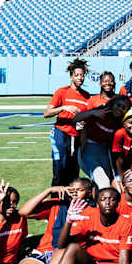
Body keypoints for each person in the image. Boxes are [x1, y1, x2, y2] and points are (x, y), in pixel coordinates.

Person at [44, 58, 91, 186]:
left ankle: (71, 197)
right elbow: (47, 113)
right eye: (77, 75)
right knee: (60, 168)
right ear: (71, 76)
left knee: (74, 170)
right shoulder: (62, 92)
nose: (80, 78)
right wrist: (63, 107)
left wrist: (84, 123)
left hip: (77, 136)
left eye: (82, 75)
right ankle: (56, 196)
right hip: (61, 134)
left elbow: (87, 117)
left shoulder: (87, 96)